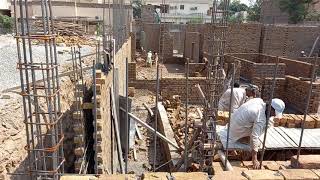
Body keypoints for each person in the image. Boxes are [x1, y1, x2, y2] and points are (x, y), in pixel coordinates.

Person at [223, 98, 285, 169]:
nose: (274, 115)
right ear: (270, 107)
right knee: (257, 141)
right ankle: (243, 141)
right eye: (274, 113)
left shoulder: (258, 100)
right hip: (235, 131)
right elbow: (254, 136)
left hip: (232, 124)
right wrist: (254, 159)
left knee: (269, 122)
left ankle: (244, 139)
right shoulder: (260, 117)